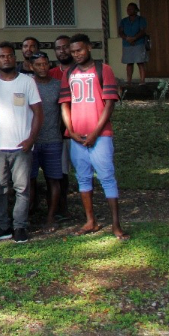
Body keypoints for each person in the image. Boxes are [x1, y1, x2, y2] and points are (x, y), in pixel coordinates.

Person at [60, 33, 128, 239]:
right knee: (83, 178)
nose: (76, 54)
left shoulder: (103, 69)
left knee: (107, 177)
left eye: (79, 50)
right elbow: (65, 104)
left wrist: (95, 133)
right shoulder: (68, 73)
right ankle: (91, 221)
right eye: (72, 52)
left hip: (101, 135)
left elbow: (109, 103)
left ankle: (116, 225)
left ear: (89, 47)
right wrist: (70, 131)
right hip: (77, 137)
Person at [0, 43, 43, 245]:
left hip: (21, 147)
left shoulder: (27, 82)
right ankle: (2, 227)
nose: (6, 59)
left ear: (15, 58)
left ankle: (20, 227)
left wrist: (31, 139)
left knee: (22, 189)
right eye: (2, 56)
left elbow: (38, 113)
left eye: (9, 56)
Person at [29, 52, 65, 227]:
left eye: (45, 64)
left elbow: (65, 111)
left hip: (53, 139)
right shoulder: (27, 85)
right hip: (31, 141)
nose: (43, 68)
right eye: (38, 65)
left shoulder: (58, 85)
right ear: (31, 67)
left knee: (54, 179)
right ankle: (30, 214)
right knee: (30, 180)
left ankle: (51, 216)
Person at [118, 2, 148, 84]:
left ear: (135, 10)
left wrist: (134, 38)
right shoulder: (123, 21)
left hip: (139, 43)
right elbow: (120, 32)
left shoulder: (141, 19)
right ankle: (129, 81)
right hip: (127, 44)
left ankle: (142, 81)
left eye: (130, 9)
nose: (128, 10)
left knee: (140, 62)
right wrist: (127, 38)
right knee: (129, 63)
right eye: (127, 9)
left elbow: (143, 31)